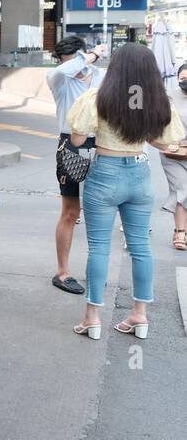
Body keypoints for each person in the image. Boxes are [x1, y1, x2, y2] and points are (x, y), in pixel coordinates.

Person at [68, 44, 185, 340]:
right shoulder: (159, 101)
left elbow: (78, 136)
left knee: (99, 248)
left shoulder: (98, 97)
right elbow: (164, 142)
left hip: (105, 173)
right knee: (141, 248)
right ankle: (139, 316)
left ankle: (92, 318)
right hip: (140, 174)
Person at [47, 36, 108, 294]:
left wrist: (90, 59)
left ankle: (95, 270)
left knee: (100, 211)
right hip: (71, 144)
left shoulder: (103, 76)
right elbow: (66, 69)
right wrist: (91, 55)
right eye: (69, 61)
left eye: (76, 58)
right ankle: (62, 272)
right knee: (70, 211)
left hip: (103, 143)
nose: (75, 66)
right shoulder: (59, 77)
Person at [160, 63, 187, 250]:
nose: (185, 81)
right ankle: (180, 232)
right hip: (173, 153)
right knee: (182, 189)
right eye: (183, 78)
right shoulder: (168, 97)